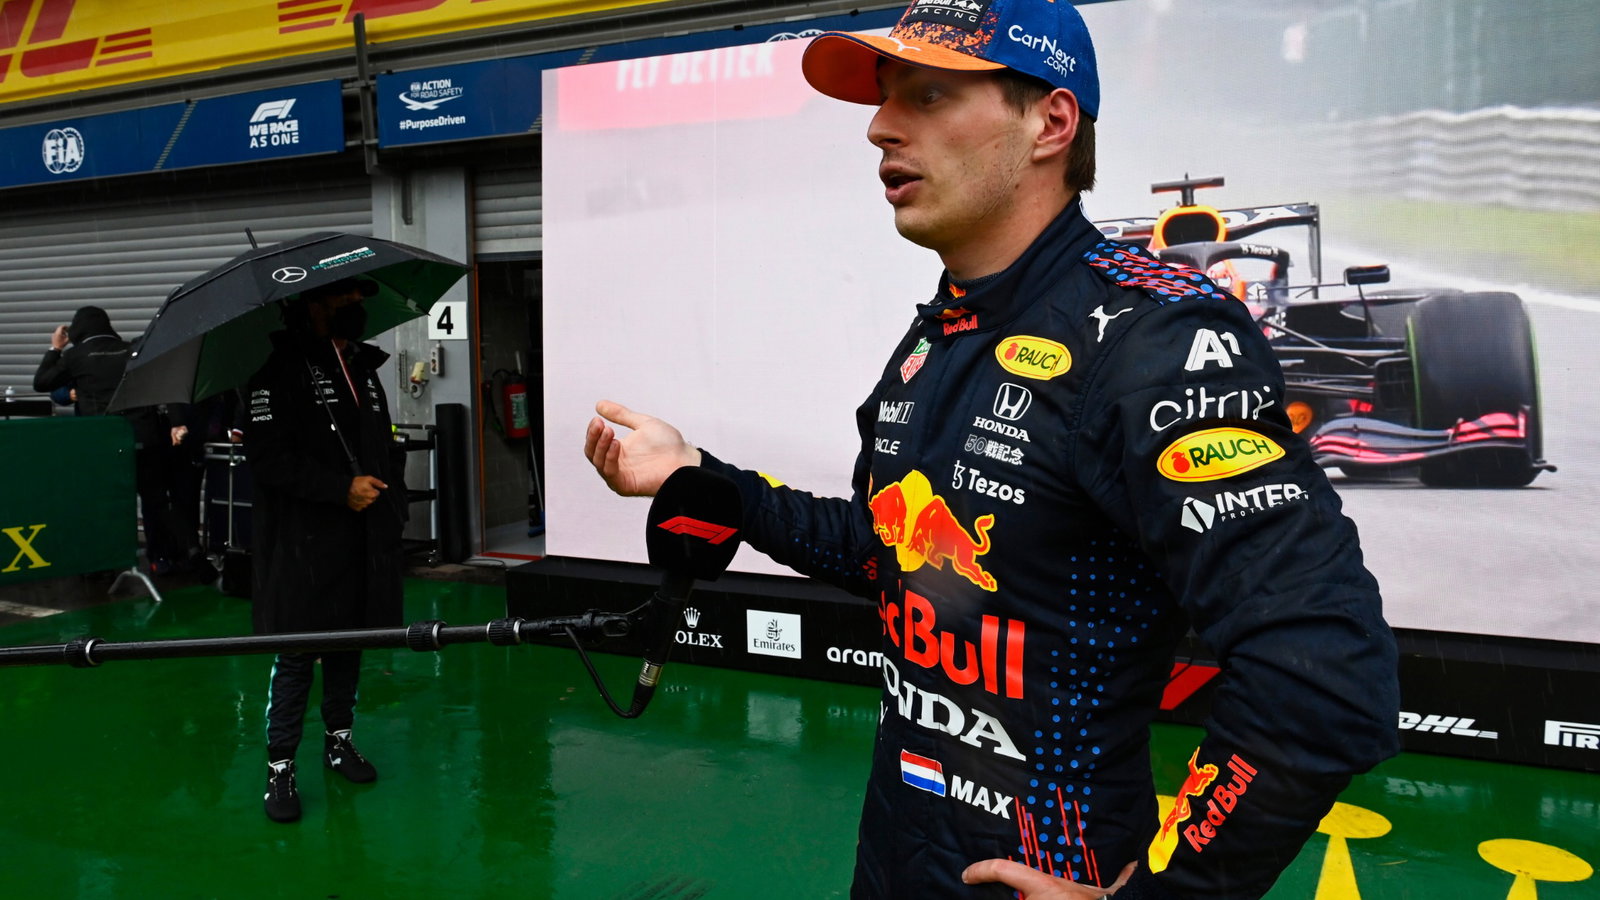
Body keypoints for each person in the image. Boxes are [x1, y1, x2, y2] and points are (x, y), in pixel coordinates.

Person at [583, 2, 1399, 898]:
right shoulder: (942, 332)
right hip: (900, 853)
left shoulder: (1152, 338)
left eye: (928, 96)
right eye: (887, 98)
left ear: (1051, 123)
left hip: (1054, 864)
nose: (880, 128)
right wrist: (707, 480)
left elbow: (1321, 672)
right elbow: (898, 550)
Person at [244, 277, 407, 823]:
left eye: (362, 295)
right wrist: (339, 489)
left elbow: (380, 445)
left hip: (362, 541)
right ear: (314, 305)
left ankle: (339, 742)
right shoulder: (276, 372)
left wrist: (392, 503)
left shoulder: (363, 366)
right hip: (301, 546)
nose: (360, 303)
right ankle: (280, 768)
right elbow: (267, 461)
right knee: (297, 655)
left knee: (349, 644)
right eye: (347, 295)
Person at [32, 305, 129, 416]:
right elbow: (57, 392)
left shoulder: (76, 356)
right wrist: (68, 394)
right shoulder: (133, 349)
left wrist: (55, 348)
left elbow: (42, 383)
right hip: (134, 423)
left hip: (96, 425)